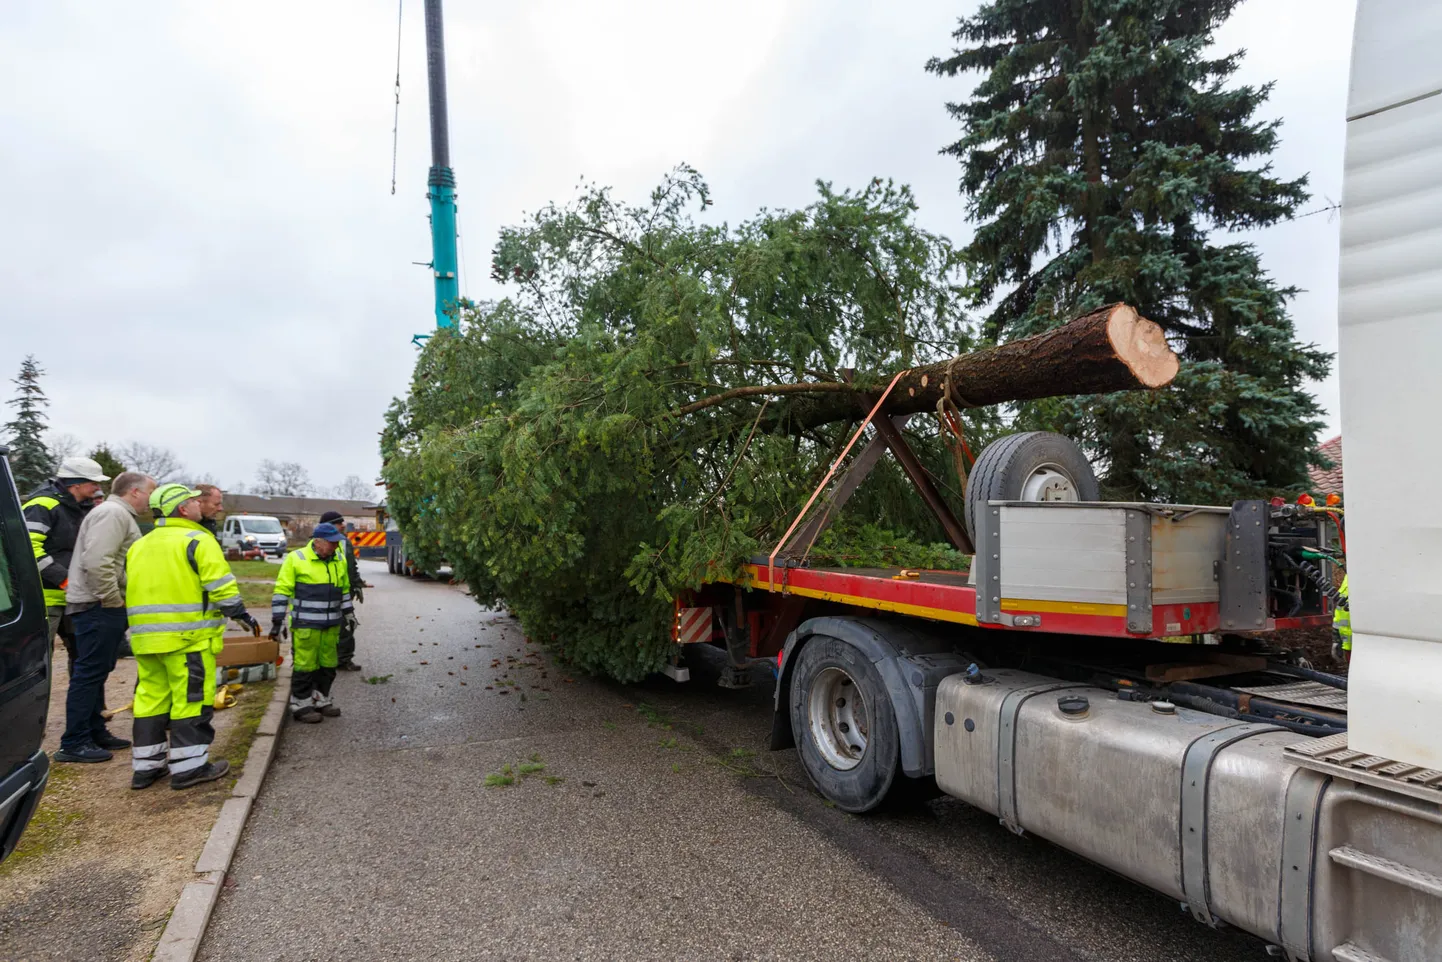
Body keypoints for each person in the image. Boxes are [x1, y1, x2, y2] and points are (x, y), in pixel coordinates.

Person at [126, 484, 261, 790]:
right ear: (183, 509)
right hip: (187, 640)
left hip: (146, 641)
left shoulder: (140, 545)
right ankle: (189, 769)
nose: (201, 505)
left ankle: (146, 768)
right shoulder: (198, 540)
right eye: (194, 502)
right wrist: (240, 615)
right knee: (191, 701)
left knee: (150, 702)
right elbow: (221, 586)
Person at [54, 471, 156, 763]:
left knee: (97, 671)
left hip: (99, 605)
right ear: (134, 492)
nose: (150, 499)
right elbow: (98, 561)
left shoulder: (115, 514)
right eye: (149, 492)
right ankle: (74, 742)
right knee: (88, 673)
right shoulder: (112, 514)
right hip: (98, 605)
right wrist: (111, 599)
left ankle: (95, 730)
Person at [23, 457, 109, 663]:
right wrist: (63, 579)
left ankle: (78, 696)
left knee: (83, 657)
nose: (98, 487)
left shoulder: (86, 508)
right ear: (75, 484)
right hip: (46, 598)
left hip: (77, 598)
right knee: (38, 661)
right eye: (93, 482)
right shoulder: (42, 505)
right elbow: (29, 549)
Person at [271, 523, 354, 723]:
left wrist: (349, 613)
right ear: (317, 542)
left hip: (331, 625)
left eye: (337, 542)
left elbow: (343, 590)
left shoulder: (339, 559)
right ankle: (301, 703)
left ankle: (321, 698)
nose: (335, 546)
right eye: (331, 543)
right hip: (306, 625)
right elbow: (282, 591)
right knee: (305, 665)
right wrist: (277, 621)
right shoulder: (296, 559)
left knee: (328, 664)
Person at [318, 510, 364, 671]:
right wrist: (355, 584)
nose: (343, 525)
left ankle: (326, 658)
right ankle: (343, 659)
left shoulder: (314, 541)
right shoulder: (342, 542)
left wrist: (357, 582)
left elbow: (351, 565)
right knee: (345, 624)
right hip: (338, 590)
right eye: (339, 523)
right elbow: (350, 566)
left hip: (322, 590)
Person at [1333, 574, 1351, 663]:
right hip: (1348, 647)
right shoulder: (1348, 576)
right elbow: (1340, 613)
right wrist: (1336, 640)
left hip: (1366, 643)